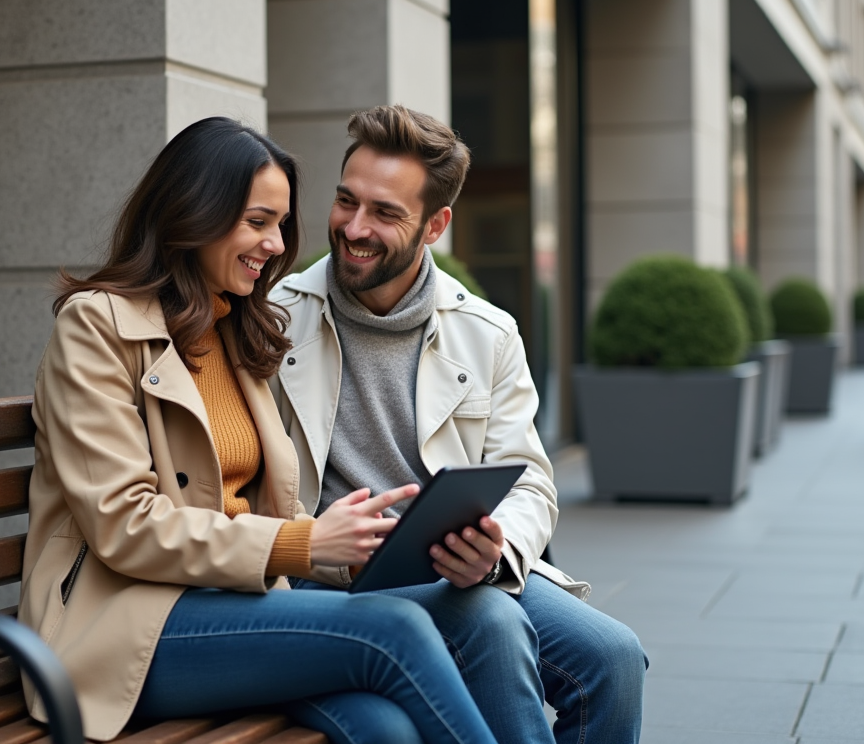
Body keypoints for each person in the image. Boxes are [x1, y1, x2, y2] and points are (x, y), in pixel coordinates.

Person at [17, 116, 501, 744]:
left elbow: (270, 511)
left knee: (386, 729)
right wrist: (305, 544)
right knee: (397, 630)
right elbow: (123, 523)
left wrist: (359, 551)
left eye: (280, 224)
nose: (277, 245)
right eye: (258, 222)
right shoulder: (96, 328)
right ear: (194, 214)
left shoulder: (235, 330)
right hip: (121, 627)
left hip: (235, 605)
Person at [269, 106, 646, 744]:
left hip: (455, 571)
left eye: (385, 213)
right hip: (331, 581)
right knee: (492, 628)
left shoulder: (489, 332)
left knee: (611, 657)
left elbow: (529, 481)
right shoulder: (274, 321)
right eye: (345, 201)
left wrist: (495, 554)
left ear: (435, 225)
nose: (355, 228)